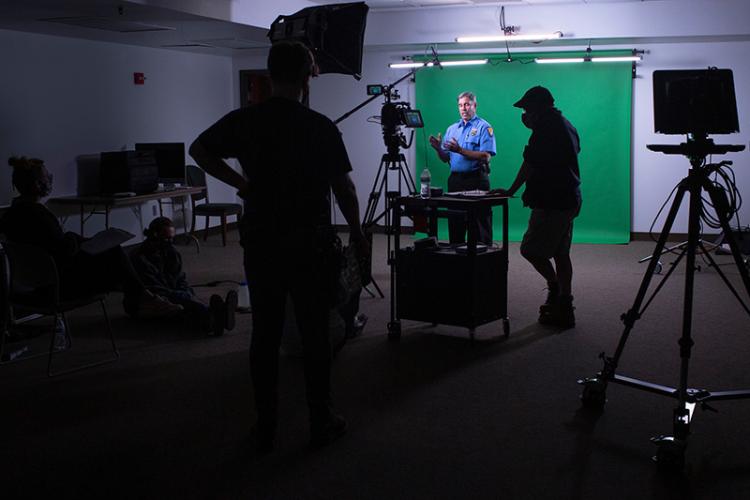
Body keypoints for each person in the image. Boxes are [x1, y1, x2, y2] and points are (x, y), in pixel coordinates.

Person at [189, 40, 369, 452]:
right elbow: (344, 187)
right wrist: (357, 231)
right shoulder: (320, 126)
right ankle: (320, 419)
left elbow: (199, 150)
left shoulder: (246, 120)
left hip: (263, 240)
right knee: (314, 333)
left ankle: (266, 425)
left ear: (270, 74)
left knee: (265, 335)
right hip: (310, 244)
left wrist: (243, 185)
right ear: (307, 77)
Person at [0, 157, 183, 318]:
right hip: (58, 285)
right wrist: (74, 238)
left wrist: (78, 240)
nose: (50, 180)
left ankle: (139, 298)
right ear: (36, 185)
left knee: (111, 257)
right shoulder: (39, 215)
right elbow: (64, 250)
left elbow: (51, 246)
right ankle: (143, 298)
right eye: (47, 177)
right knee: (114, 253)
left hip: (29, 283)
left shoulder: (10, 215)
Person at [491, 86, 581, 328]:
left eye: (527, 109)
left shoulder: (546, 129)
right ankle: (565, 303)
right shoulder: (566, 124)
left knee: (530, 250)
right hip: (569, 199)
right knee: (561, 253)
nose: (524, 114)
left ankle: (555, 289)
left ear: (539, 108)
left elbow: (531, 162)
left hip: (552, 202)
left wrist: (510, 190)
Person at [130, 217, 237, 336]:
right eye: (166, 239)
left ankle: (216, 319)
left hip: (171, 292)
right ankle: (217, 317)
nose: (170, 242)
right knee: (180, 307)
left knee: (187, 300)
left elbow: (180, 278)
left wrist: (185, 291)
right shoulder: (139, 257)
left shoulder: (170, 252)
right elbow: (152, 287)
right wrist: (178, 295)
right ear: (154, 236)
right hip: (149, 299)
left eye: (172, 238)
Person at [428, 91, 496, 244]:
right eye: (460, 105)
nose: (463, 108)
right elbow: (446, 158)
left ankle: (482, 263)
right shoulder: (452, 129)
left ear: (474, 105)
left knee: (479, 226)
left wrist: (459, 150)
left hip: (476, 181)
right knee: (456, 224)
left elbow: (486, 156)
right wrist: (438, 148)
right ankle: (457, 263)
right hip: (455, 181)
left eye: (466, 104)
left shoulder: (484, 127)